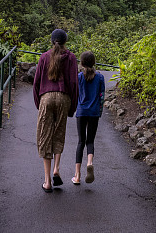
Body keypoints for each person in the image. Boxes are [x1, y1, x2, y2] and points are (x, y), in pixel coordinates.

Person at [33, 28, 78, 193]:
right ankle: (56, 169)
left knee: (45, 137)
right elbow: (74, 84)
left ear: (52, 41)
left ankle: (47, 182)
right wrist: (72, 107)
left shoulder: (44, 57)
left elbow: (36, 82)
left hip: (46, 97)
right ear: (65, 41)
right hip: (64, 98)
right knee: (59, 134)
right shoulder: (71, 58)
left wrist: (39, 104)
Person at [71, 50, 105, 185]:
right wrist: (99, 112)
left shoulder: (79, 77)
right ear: (94, 62)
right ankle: (89, 163)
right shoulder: (100, 77)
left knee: (81, 141)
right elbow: (101, 97)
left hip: (81, 111)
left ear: (82, 63)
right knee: (90, 141)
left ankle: (77, 176)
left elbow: (74, 93)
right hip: (94, 112)